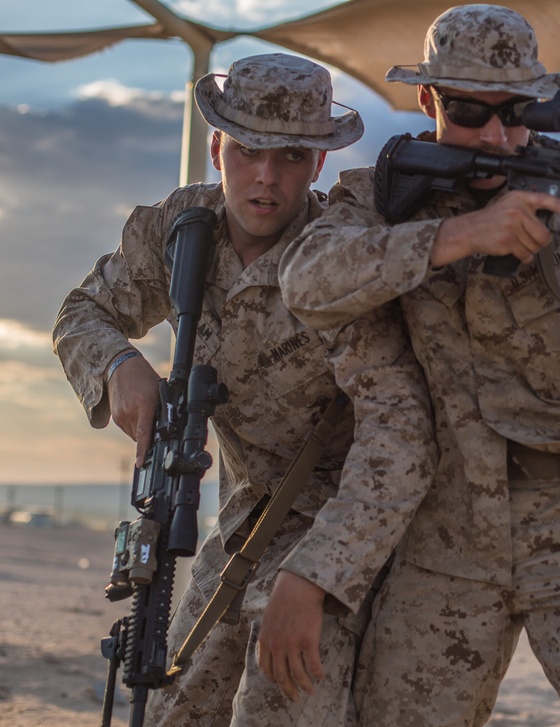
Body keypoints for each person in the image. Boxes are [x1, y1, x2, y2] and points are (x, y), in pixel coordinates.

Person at [279, 5, 560, 726]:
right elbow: (307, 282)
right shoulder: (384, 195)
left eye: (517, 114)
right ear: (428, 103)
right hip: (445, 529)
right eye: (469, 113)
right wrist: (457, 234)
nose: (497, 136)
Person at [53, 53, 435, 726]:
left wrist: (318, 573)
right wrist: (119, 366)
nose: (265, 176)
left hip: (345, 523)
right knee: (174, 703)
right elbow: (84, 312)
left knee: (278, 699)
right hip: (244, 520)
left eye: (291, 155)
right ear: (216, 147)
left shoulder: (338, 258)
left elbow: (398, 436)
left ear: (318, 164)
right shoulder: (178, 230)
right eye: (248, 149)